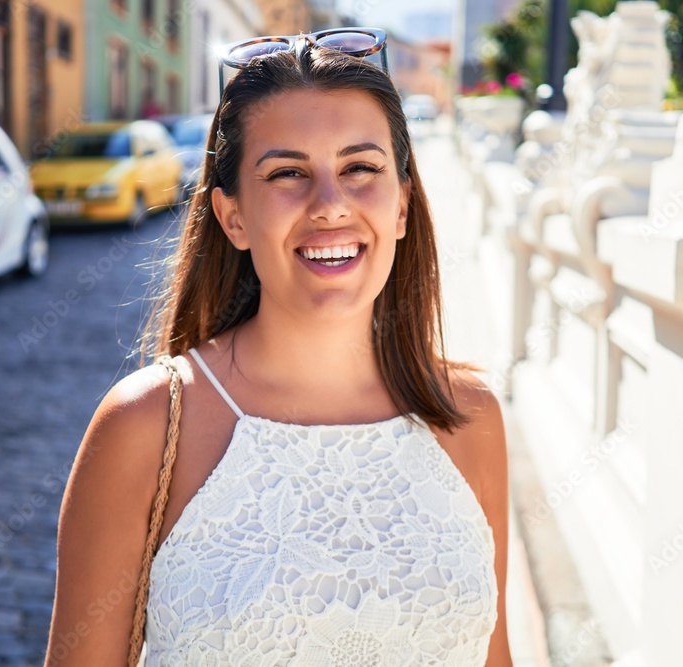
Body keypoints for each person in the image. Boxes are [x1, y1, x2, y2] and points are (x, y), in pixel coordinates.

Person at [44, 28, 513, 666]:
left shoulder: (470, 417)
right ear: (233, 217)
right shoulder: (146, 426)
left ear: (402, 204)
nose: (329, 205)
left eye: (361, 168)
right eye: (288, 173)